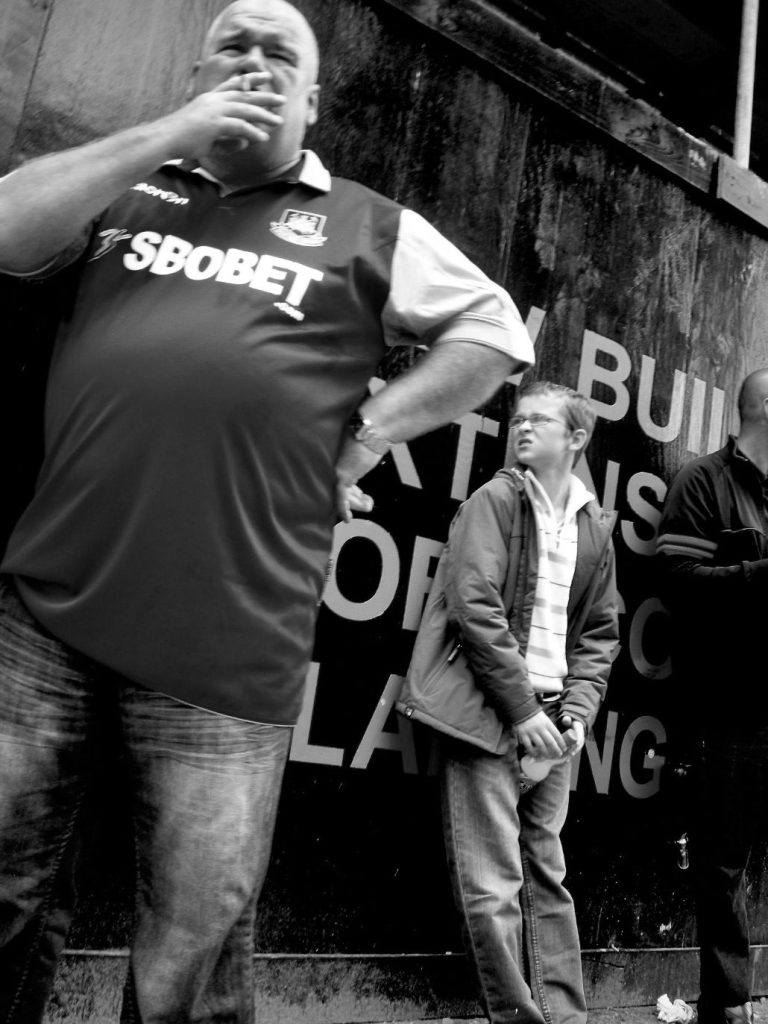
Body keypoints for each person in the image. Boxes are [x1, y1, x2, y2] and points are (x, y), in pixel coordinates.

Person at [0, 2, 536, 1021]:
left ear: (316, 97)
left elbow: (497, 332)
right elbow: (6, 231)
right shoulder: (133, 187)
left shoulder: (371, 225)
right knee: (5, 894)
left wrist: (372, 432)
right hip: (46, 614)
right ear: (197, 74)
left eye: (279, 51)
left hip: (229, 642)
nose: (254, 62)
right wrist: (173, 133)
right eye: (232, 49)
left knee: (190, 951)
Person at [403, 381, 618, 1024]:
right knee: (492, 885)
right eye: (518, 419)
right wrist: (523, 713)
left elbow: (599, 634)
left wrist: (576, 715)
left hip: (556, 724)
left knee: (546, 876)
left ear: (575, 439)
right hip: (489, 715)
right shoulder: (493, 500)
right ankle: (520, 1020)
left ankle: (566, 1018)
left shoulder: (593, 525)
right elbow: (476, 609)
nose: (522, 429)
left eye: (540, 421)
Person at [657, 368, 768, 1024]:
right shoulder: (703, 481)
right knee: (722, 862)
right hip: (728, 709)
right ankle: (728, 1005)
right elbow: (677, 581)